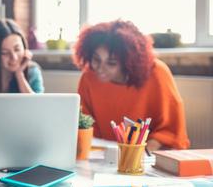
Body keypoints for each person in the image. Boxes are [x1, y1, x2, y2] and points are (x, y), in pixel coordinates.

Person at [73, 20, 190, 152]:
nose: (100, 68)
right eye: (96, 59)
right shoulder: (89, 77)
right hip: (102, 154)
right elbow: (83, 125)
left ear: (128, 62)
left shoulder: (157, 73)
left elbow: (171, 130)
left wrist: (141, 154)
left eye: (111, 63)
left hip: (147, 156)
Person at [0, 19, 44, 93]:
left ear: (24, 47)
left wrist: (19, 75)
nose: (14, 57)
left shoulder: (32, 71)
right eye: (5, 53)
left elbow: (37, 103)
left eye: (17, 49)